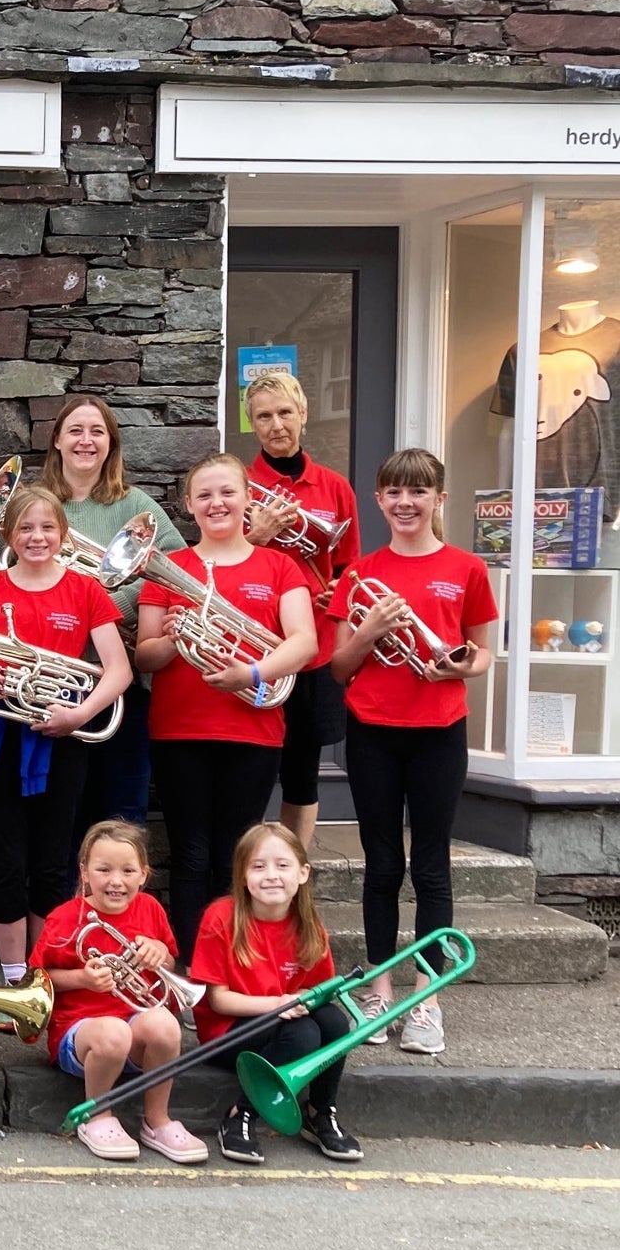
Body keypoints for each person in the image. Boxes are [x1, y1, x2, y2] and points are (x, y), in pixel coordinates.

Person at [328, 448, 494, 1057]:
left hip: (439, 729)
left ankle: (426, 997)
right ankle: (378, 988)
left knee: (430, 866)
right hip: (373, 729)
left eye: (418, 492)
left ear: (438, 500)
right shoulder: (360, 573)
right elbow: (340, 669)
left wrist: (456, 667)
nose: (405, 502)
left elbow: (481, 654)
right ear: (379, 499)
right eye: (394, 491)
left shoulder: (466, 568)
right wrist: (371, 631)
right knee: (380, 865)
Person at [0, 484, 130, 1018]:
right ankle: (12, 980)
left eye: (48, 527)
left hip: (62, 738)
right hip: (0, 740)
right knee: (5, 862)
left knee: (51, 862)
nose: (37, 537)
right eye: (26, 528)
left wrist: (78, 713)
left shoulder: (86, 590)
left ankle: (42, 977)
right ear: (10, 535)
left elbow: (118, 670)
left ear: (63, 535)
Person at [135, 453, 319, 967]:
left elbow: (302, 642)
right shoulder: (171, 569)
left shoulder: (279, 565)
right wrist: (173, 640)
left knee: (237, 857)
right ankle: (195, 972)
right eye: (205, 495)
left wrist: (252, 674)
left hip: (254, 730)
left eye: (227, 492)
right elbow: (143, 654)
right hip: (179, 731)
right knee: (191, 856)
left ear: (247, 500)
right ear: (190, 505)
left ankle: (231, 971)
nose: (217, 503)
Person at [42, 394, 185, 841]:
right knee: (59, 816)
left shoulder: (135, 504)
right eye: (76, 431)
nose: (86, 440)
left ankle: (120, 910)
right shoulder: (36, 504)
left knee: (121, 814)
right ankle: (65, 912)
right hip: (52, 677)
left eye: (97, 431)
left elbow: (179, 567)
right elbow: (2, 562)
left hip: (119, 679)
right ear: (57, 441)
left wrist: (112, 607)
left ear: (111, 444)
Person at [32, 821, 206, 1164]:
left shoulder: (150, 909)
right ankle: (96, 1116)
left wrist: (159, 951)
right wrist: (82, 978)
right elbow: (38, 977)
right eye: (104, 869)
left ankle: (157, 1120)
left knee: (165, 1024)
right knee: (113, 1032)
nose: (116, 881)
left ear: (143, 874)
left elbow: (167, 962)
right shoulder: (65, 919)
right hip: (79, 1033)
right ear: (84, 871)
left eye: (128, 871)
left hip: (133, 1026)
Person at [193, 823, 363, 1165]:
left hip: (280, 1024)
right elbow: (218, 1000)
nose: (271, 875)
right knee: (303, 1032)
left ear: (302, 874)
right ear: (242, 876)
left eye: (282, 866)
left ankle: (321, 1111)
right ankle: (238, 1115)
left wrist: (302, 1001)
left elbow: (317, 991)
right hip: (225, 1034)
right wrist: (277, 1005)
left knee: (334, 1022)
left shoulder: (309, 926)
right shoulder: (220, 917)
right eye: (258, 866)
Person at [241, 373, 361, 853]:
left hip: (316, 650)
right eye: (264, 416)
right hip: (256, 644)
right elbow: (217, 563)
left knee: (302, 771)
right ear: (252, 424)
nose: (276, 425)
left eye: (285, 413)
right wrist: (258, 536)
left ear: (304, 414)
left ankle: (294, 869)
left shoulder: (333, 487)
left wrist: (340, 591)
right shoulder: (240, 487)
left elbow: (352, 566)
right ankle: (250, 867)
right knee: (252, 768)